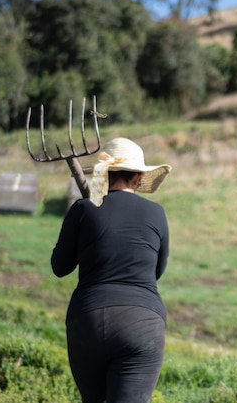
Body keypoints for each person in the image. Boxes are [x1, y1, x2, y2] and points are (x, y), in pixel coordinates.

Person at [51, 137, 172, 403]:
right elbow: (156, 272)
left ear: (102, 175)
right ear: (139, 177)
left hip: (88, 320)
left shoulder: (83, 209)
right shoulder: (156, 213)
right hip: (141, 322)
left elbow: (60, 267)